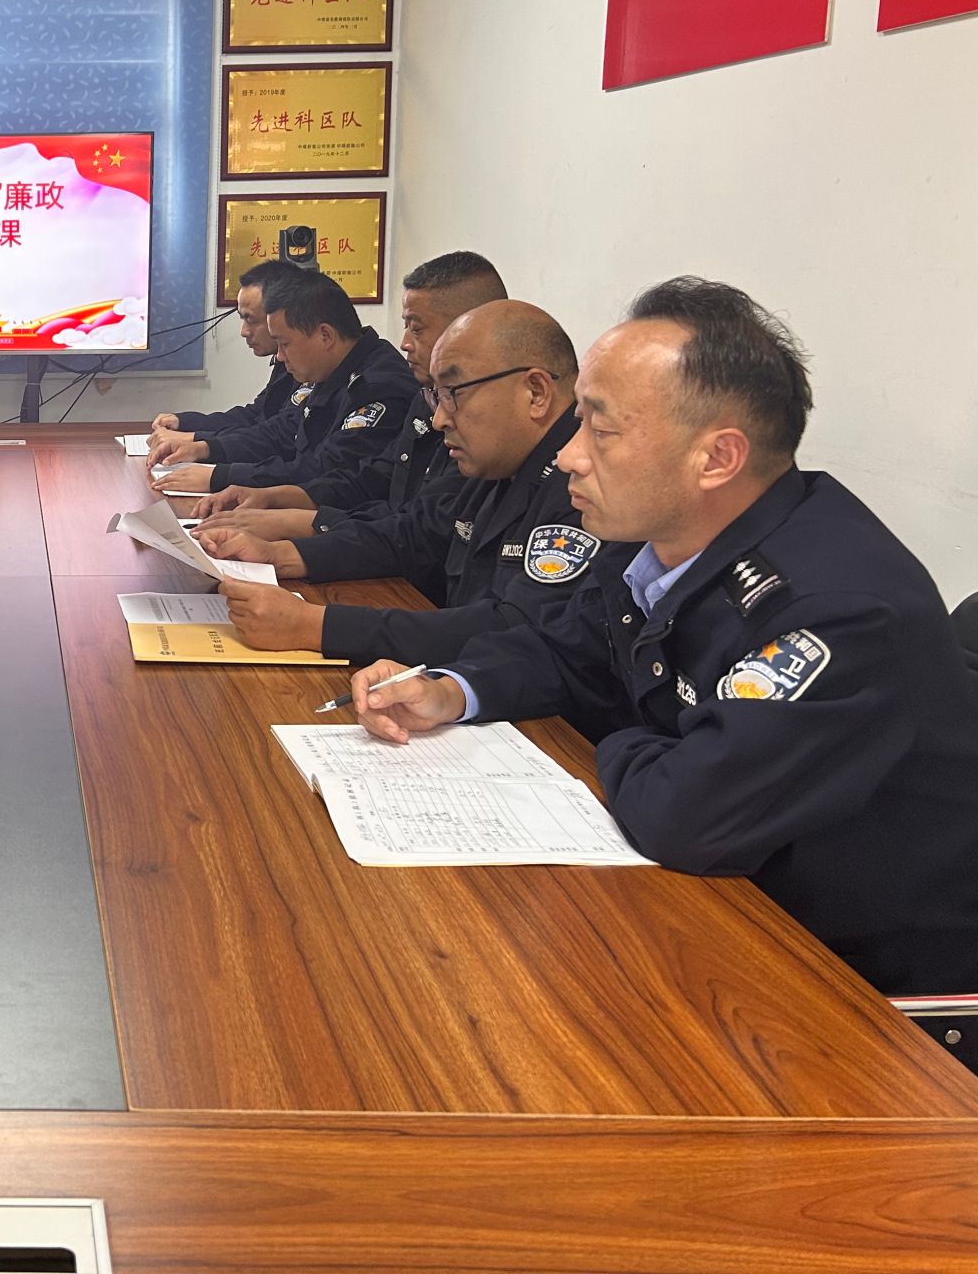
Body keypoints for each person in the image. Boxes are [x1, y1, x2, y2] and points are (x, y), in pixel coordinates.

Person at [348, 279, 978, 1034]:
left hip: (869, 1000)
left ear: (716, 458)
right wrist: (451, 688)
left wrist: (622, 737)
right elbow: (565, 650)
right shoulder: (663, 545)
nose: (570, 457)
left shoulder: (840, 609)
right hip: (727, 912)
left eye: (602, 431)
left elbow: (685, 813)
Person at [202, 301, 591, 668]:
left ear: (536, 392)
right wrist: (281, 555)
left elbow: (515, 632)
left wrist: (316, 626)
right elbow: (414, 534)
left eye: (453, 394)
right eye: (437, 397)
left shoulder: (581, 488)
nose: (439, 420)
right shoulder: (500, 463)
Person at [194, 253, 508, 580]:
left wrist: (289, 535)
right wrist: (273, 500)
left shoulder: (386, 386)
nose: (404, 343)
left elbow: (419, 529)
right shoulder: (423, 395)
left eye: (416, 328)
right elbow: (375, 478)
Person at [147, 268, 416, 495]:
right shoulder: (331, 367)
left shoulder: (379, 387)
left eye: (284, 344)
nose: (279, 355)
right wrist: (206, 448)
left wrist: (222, 475)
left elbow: (324, 471)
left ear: (325, 336)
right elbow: (282, 433)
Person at [146, 260, 303, 451]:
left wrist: (197, 441)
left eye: (251, 320)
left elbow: (275, 438)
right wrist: (184, 422)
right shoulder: (284, 360)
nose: (244, 331)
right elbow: (255, 416)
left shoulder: (309, 368)